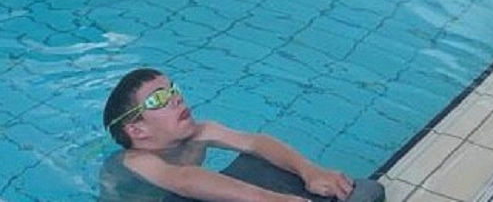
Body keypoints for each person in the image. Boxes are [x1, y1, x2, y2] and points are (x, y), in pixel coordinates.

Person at [99, 67, 385, 202]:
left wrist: (310, 170)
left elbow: (255, 142)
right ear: (137, 130)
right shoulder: (134, 160)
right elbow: (183, 180)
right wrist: (270, 199)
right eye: (158, 99)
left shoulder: (200, 132)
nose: (175, 99)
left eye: (173, 89)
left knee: (256, 162)